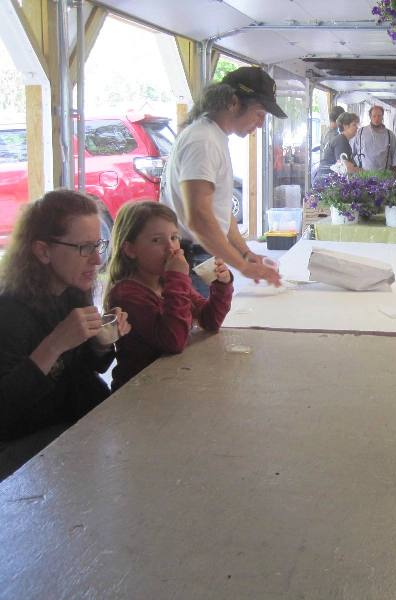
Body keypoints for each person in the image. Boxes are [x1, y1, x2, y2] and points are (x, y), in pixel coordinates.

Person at [0, 190, 131, 481]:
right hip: (29, 448)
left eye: (98, 245)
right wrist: (54, 345)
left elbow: (85, 368)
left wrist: (101, 343)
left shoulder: (71, 293)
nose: (97, 259)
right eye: (84, 248)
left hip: (73, 424)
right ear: (43, 251)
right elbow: (5, 414)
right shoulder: (8, 311)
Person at [160, 66, 284, 289]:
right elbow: (198, 218)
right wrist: (243, 266)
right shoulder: (203, 140)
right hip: (191, 259)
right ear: (234, 102)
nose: (261, 124)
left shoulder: (214, 137)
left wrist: (245, 253)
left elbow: (220, 212)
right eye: (259, 114)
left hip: (203, 255)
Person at [105, 202, 233, 391]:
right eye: (157, 240)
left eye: (174, 238)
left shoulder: (166, 281)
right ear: (130, 249)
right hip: (138, 393)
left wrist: (222, 285)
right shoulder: (128, 295)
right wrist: (178, 278)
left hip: (170, 381)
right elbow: (173, 341)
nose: (170, 248)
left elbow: (210, 320)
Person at [352, 105, 396, 173]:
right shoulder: (361, 132)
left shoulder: (390, 135)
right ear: (370, 117)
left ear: (382, 117)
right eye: (374, 116)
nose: (377, 118)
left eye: (379, 116)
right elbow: (353, 153)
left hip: (384, 177)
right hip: (363, 176)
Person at [315, 112, 362, 183]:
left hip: (329, 182)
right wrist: (363, 171)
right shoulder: (341, 141)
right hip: (325, 183)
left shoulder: (343, 140)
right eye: (354, 125)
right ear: (345, 126)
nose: (357, 127)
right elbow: (346, 167)